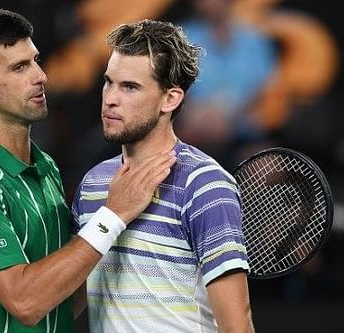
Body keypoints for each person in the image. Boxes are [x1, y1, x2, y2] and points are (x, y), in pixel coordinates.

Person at [0, 9, 176, 333]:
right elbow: (26, 303)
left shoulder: (45, 168)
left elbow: (60, 301)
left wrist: (124, 233)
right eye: (19, 67)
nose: (40, 76)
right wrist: (112, 216)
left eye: (35, 61)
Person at [72, 19, 254, 333]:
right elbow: (70, 301)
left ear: (170, 99)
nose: (110, 98)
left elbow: (237, 326)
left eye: (129, 87)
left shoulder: (204, 184)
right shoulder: (93, 184)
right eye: (108, 82)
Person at [174, 0, 276, 170]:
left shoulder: (255, 40)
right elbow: (170, 85)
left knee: (267, 167)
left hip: (240, 135)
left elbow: (263, 91)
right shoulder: (178, 37)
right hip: (191, 135)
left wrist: (228, 119)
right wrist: (196, 114)